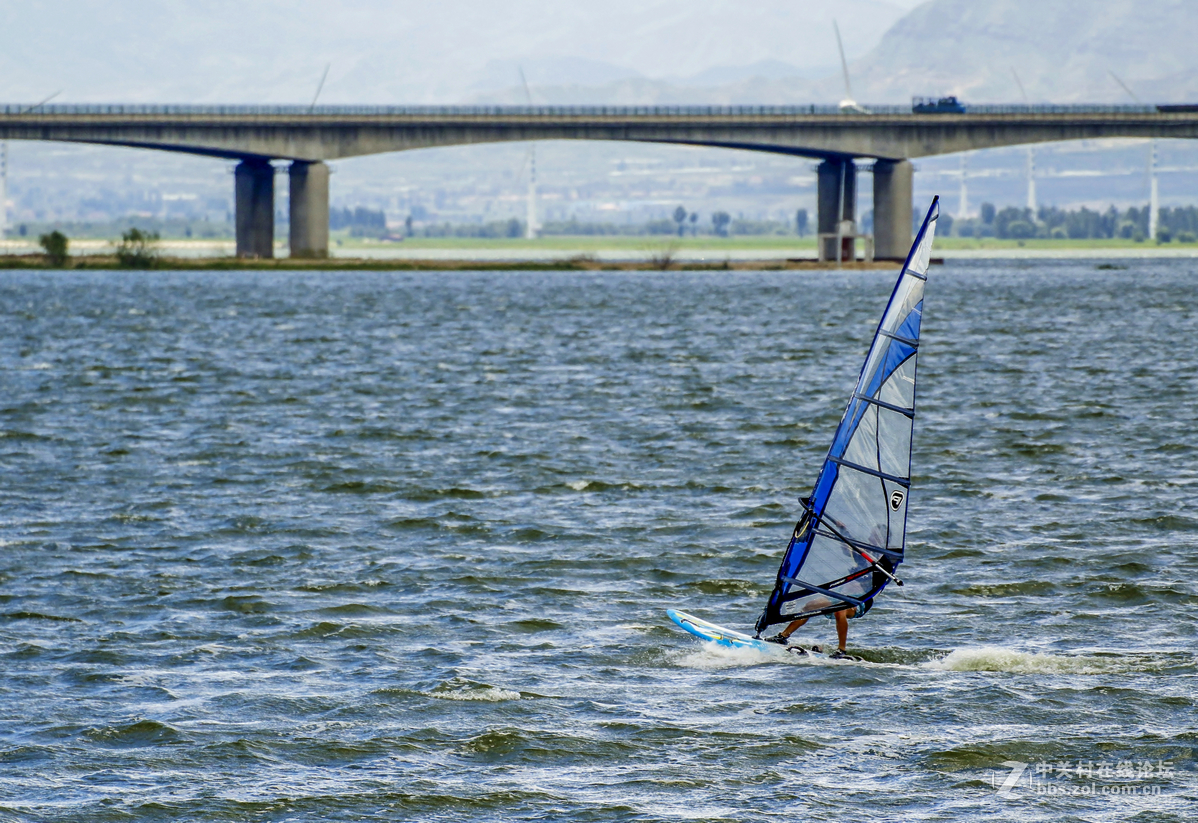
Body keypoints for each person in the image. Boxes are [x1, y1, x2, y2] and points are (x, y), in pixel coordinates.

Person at [763, 598, 870, 659]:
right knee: (810, 605)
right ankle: (783, 636)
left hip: (860, 600)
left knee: (840, 610)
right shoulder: (853, 564)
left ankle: (841, 650)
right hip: (838, 596)